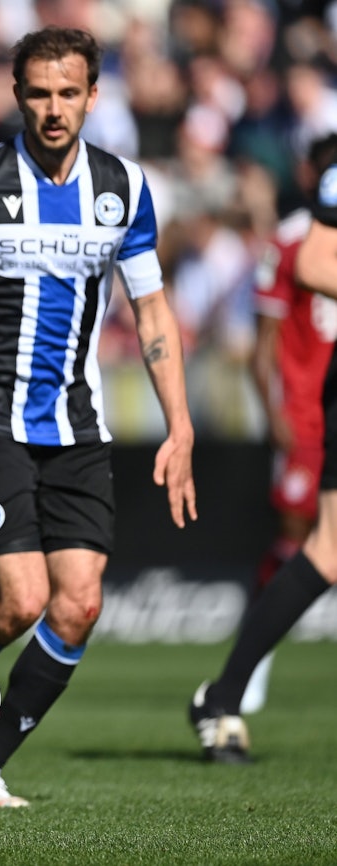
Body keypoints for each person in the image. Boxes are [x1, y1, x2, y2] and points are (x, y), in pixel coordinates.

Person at [0, 26, 197, 807]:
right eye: (39, 93)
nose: (54, 109)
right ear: (17, 96)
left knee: (79, 604)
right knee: (19, 601)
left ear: (92, 95)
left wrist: (178, 426)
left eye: (68, 93)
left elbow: (151, 312)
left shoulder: (123, 188)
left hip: (78, 425)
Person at [189, 139, 337, 763]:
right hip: (311, 408)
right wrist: (276, 409)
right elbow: (313, 260)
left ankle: (225, 694)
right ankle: (228, 694)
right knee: (319, 547)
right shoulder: (307, 219)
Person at [239, 133, 337, 716]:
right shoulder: (293, 242)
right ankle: (252, 663)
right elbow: (263, 344)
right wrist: (273, 411)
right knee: (297, 538)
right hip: (307, 413)